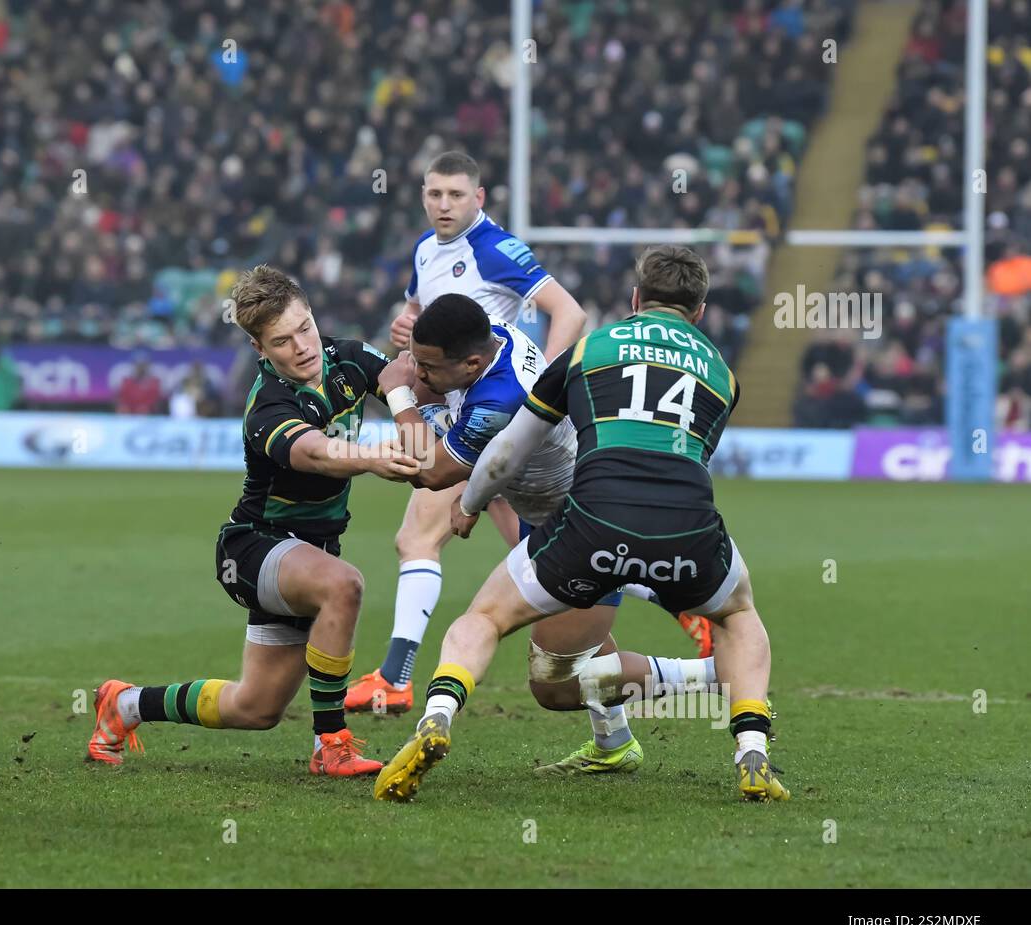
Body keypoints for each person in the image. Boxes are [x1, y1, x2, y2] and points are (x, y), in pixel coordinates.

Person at [375, 246, 790, 803]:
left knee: (517, 648)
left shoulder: (588, 350)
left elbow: (501, 456)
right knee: (739, 615)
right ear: (701, 310)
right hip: (685, 522)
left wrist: (469, 502)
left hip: (585, 518)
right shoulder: (723, 373)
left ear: (635, 299)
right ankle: (750, 750)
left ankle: (438, 714)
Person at [348, 150, 709, 715]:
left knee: (436, 550)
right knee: (569, 629)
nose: (444, 205)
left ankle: (398, 678)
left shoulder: (494, 251)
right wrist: (411, 337)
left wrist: (543, 395)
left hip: (506, 437)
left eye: (456, 195)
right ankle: (636, 680)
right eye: (434, 194)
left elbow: (568, 312)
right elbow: (426, 329)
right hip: (493, 441)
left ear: (479, 197)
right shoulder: (428, 255)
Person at [86, 265, 420, 777]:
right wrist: (375, 456)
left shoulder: (348, 358)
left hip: (310, 550)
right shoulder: (267, 403)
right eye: (282, 341)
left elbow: (403, 374)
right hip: (253, 548)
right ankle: (331, 744)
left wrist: (409, 406)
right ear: (260, 349)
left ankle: (124, 705)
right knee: (344, 586)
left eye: (305, 327)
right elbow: (313, 453)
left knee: (255, 708)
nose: (302, 346)